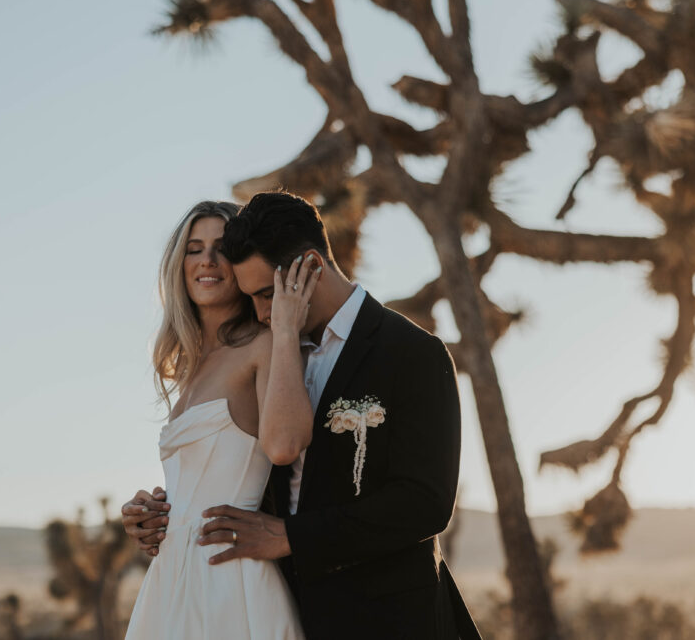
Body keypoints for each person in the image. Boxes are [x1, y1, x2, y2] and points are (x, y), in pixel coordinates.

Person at [124, 192, 481, 640]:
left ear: (310, 267)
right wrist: (168, 516)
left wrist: (293, 536)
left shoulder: (412, 353)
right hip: (278, 607)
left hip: (389, 619)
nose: (260, 312)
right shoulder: (274, 350)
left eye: (268, 294)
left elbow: (424, 504)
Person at [123, 200, 318, 639]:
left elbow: (285, 443)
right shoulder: (191, 366)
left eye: (220, 248)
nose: (207, 261)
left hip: (230, 577)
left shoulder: (263, 346)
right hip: (171, 578)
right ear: (179, 264)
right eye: (194, 249)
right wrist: (147, 513)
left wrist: (286, 331)